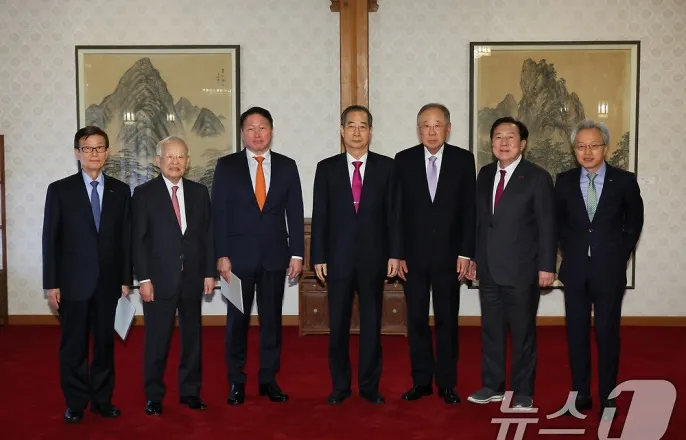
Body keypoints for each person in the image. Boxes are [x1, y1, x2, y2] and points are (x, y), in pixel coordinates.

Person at [211, 107, 304, 405]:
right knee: (236, 322)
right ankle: (236, 381)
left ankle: (268, 379)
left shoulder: (287, 166)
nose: (257, 133)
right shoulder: (227, 166)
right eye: (250, 128)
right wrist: (221, 255)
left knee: (272, 321)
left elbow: (295, 212)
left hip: (275, 257)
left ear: (271, 131)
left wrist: (297, 254)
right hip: (236, 261)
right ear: (242, 134)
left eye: (262, 127)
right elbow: (219, 214)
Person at [310, 105, 401, 405]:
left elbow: (394, 215)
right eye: (351, 126)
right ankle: (340, 386)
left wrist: (395, 254)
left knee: (372, 325)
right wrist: (318, 256)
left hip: (375, 258)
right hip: (338, 259)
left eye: (363, 126)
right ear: (342, 131)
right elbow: (320, 215)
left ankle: (369, 386)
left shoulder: (387, 167)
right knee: (337, 324)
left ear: (371, 132)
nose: (357, 132)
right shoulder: (326, 168)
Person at [42, 126, 132, 423]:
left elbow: (125, 239)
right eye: (87, 148)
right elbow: (50, 239)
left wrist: (126, 279)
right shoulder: (60, 190)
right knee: (74, 347)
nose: (94, 153)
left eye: (99, 147)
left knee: (105, 346)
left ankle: (102, 401)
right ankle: (76, 402)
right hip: (72, 283)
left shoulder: (121, 191)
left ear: (107, 153)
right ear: (77, 153)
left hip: (109, 283)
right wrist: (51, 283)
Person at [555, 119, 644, 418]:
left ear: (605, 147)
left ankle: (608, 396)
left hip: (609, 270)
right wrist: (568, 251)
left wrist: (620, 255)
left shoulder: (624, 181)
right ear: (574, 150)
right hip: (575, 270)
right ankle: (581, 394)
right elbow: (558, 223)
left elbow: (634, 223)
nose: (587, 152)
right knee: (576, 333)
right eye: (581, 146)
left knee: (607, 333)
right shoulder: (564, 181)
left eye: (594, 145)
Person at [466, 116, 556, 410]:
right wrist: (474, 258)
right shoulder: (484, 174)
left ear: (523, 143)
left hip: (522, 269)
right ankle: (492, 386)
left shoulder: (537, 177)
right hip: (489, 269)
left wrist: (547, 266)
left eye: (510, 137)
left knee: (522, 334)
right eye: (498, 137)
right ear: (491, 143)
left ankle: (523, 391)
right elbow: (481, 223)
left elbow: (547, 225)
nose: (503, 143)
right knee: (491, 331)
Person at [394, 103, 475, 404]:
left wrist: (466, 253)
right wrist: (397, 253)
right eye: (425, 126)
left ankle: (447, 383)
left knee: (447, 320)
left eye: (437, 125)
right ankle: (421, 381)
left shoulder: (463, 160)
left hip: (449, 257)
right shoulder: (403, 160)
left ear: (448, 128)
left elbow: (470, 211)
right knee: (416, 320)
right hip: (412, 258)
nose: (431, 131)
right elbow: (397, 211)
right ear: (419, 130)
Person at [132, 136, 215, 416]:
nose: (175, 162)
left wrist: (209, 273)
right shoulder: (144, 194)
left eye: (181, 157)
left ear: (188, 161)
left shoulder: (200, 193)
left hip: (193, 278)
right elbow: (138, 241)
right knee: (157, 341)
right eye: (170, 156)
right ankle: (154, 395)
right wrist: (144, 279)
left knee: (192, 339)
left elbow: (208, 236)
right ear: (159, 161)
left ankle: (190, 392)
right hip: (158, 281)